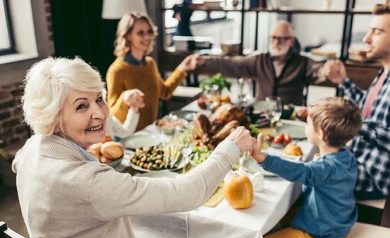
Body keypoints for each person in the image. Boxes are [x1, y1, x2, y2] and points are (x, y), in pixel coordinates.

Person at [12, 56, 255, 238]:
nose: (99, 113)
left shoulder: (31, 148)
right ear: (53, 119)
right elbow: (188, 193)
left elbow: (17, 164)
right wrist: (229, 148)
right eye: (81, 106)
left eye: (98, 99)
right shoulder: (89, 183)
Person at [250, 97, 362, 238]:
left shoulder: (326, 168)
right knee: (275, 218)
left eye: (308, 124)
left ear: (320, 134)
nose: (306, 127)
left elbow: (300, 172)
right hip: (336, 223)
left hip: (323, 237)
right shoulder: (345, 156)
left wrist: (262, 158)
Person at [323, 3, 390, 200]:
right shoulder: (385, 72)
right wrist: (343, 81)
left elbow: (366, 122)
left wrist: (343, 119)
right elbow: (367, 110)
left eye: (376, 32)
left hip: (372, 178)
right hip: (355, 160)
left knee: (300, 176)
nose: (366, 38)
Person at [195, 20, 326, 105]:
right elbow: (231, 64)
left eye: (281, 39)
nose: (276, 43)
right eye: (273, 38)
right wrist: (203, 61)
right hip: (261, 115)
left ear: (291, 41)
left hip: (290, 116)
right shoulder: (260, 59)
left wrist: (326, 70)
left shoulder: (302, 62)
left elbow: (318, 69)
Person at [106, 11, 199, 131]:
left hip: (151, 133)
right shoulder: (117, 70)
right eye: (141, 33)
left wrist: (183, 68)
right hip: (128, 138)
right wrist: (125, 99)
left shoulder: (150, 64)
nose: (147, 37)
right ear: (128, 36)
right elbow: (112, 114)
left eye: (149, 32)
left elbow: (165, 92)